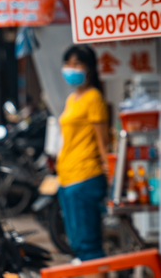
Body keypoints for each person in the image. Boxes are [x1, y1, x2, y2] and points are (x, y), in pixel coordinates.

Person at [57, 45, 110, 265]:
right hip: (68, 178)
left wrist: (111, 173)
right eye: (68, 63)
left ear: (89, 69)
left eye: (77, 64)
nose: (71, 68)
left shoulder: (94, 98)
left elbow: (103, 143)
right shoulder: (72, 99)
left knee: (88, 247)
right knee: (78, 245)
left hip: (86, 176)